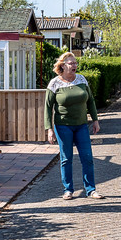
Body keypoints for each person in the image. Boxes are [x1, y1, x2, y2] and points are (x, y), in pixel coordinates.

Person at [44, 52, 104, 200]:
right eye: (71, 63)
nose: (74, 66)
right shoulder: (54, 83)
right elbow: (47, 107)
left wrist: (95, 120)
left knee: (87, 157)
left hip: (81, 125)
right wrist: (49, 129)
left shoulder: (81, 80)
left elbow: (90, 101)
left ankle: (91, 190)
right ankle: (68, 190)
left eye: (75, 63)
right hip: (63, 126)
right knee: (66, 158)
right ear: (63, 66)